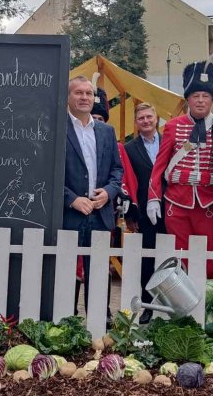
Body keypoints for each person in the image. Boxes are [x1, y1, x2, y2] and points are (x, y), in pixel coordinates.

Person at [147, 62, 213, 278]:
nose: (200, 100)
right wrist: (153, 198)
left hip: (210, 201)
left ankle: (207, 306)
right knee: (179, 259)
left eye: (205, 96)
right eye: (195, 95)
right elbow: (159, 166)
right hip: (177, 201)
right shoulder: (172, 127)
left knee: (210, 261)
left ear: (212, 99)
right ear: (187, 99)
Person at [63, 75, 123, 318]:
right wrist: (72, 199)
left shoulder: (107, 131)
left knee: (98, 270)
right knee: (66, 270)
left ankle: (100, 321)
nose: (84, 97)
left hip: (100, 213)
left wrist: (108, 193)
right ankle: (66, 321)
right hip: (69, 214)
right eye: (78, 92)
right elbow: (47, 172)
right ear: (68, 97)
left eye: (88, 93)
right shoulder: (57, 129)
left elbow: (117, 170)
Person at [124, 102, 165, 323]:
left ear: (156, 119)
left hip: (170, 210)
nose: (146, 121)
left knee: (169, 256)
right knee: (147, 260)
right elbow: (128, 183)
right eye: (141, 118)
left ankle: (169, 304)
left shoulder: (171, 143)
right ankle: (148, 305)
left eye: (149, 117)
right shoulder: (130, 149)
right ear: (136, 122)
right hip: (143, 212)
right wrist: (130, 215)